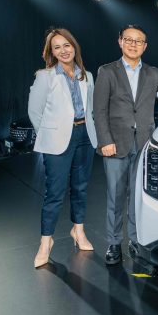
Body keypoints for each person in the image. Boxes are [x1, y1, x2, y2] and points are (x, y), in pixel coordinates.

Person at [93, 24, 158, 265]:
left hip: (143, 145)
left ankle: (134, 239)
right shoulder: (107, 72)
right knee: (115, 196)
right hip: (115, 144)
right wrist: (105, 141)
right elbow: (99, 110)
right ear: (120, 42)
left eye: (138, 41)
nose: (133, 44)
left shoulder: (153, 73)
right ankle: (113, 243)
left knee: (137, 196)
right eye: (129, 40)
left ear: (145, 46)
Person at [28, 27, 98, 268]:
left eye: (66, 45)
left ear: (74, 46)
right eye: (57, 47)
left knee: (80, 188)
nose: (63, 50)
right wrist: (49, 135)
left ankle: (78, 231)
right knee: (55, 193)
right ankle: (46, 242)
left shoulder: (87, 76)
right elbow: (34, 111)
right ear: (52, 52)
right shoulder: (45, 76)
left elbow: (90, 109)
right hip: (57, 141)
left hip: (85, 136)